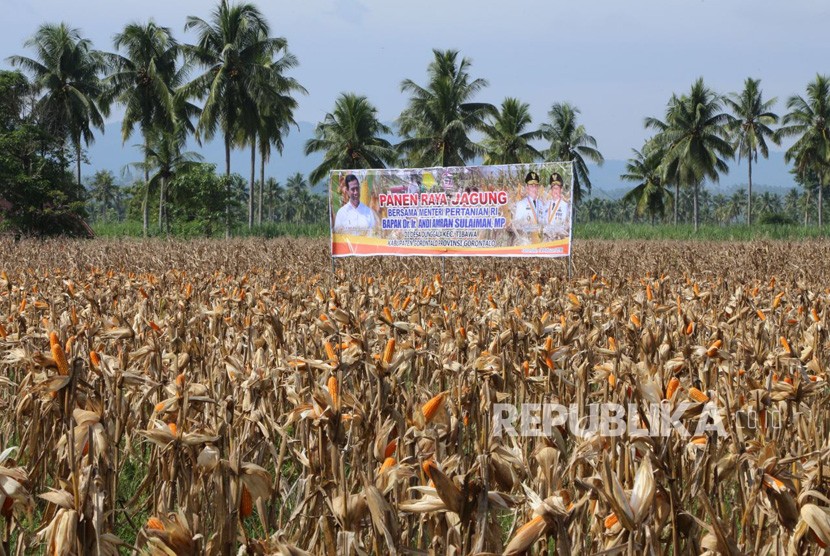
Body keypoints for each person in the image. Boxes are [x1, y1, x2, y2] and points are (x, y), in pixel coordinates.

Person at [510, 171, 548, 244]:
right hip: (527, 242)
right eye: (531, 186)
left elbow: (544, 222)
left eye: (535, 186)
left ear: (538, 187)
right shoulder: (521, 204)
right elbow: (517, 225)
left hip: (540, 241)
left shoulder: (541, 204)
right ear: (527, 188)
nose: (534, 189)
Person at [544, 172, 570, 239]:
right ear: (551, 190)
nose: (555, 191)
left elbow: (567, 224)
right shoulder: (546, 205)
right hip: (546, 238)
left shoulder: (565, 206)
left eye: (557, 188)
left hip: (559, 238)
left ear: (561, 190)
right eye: (553, 188)